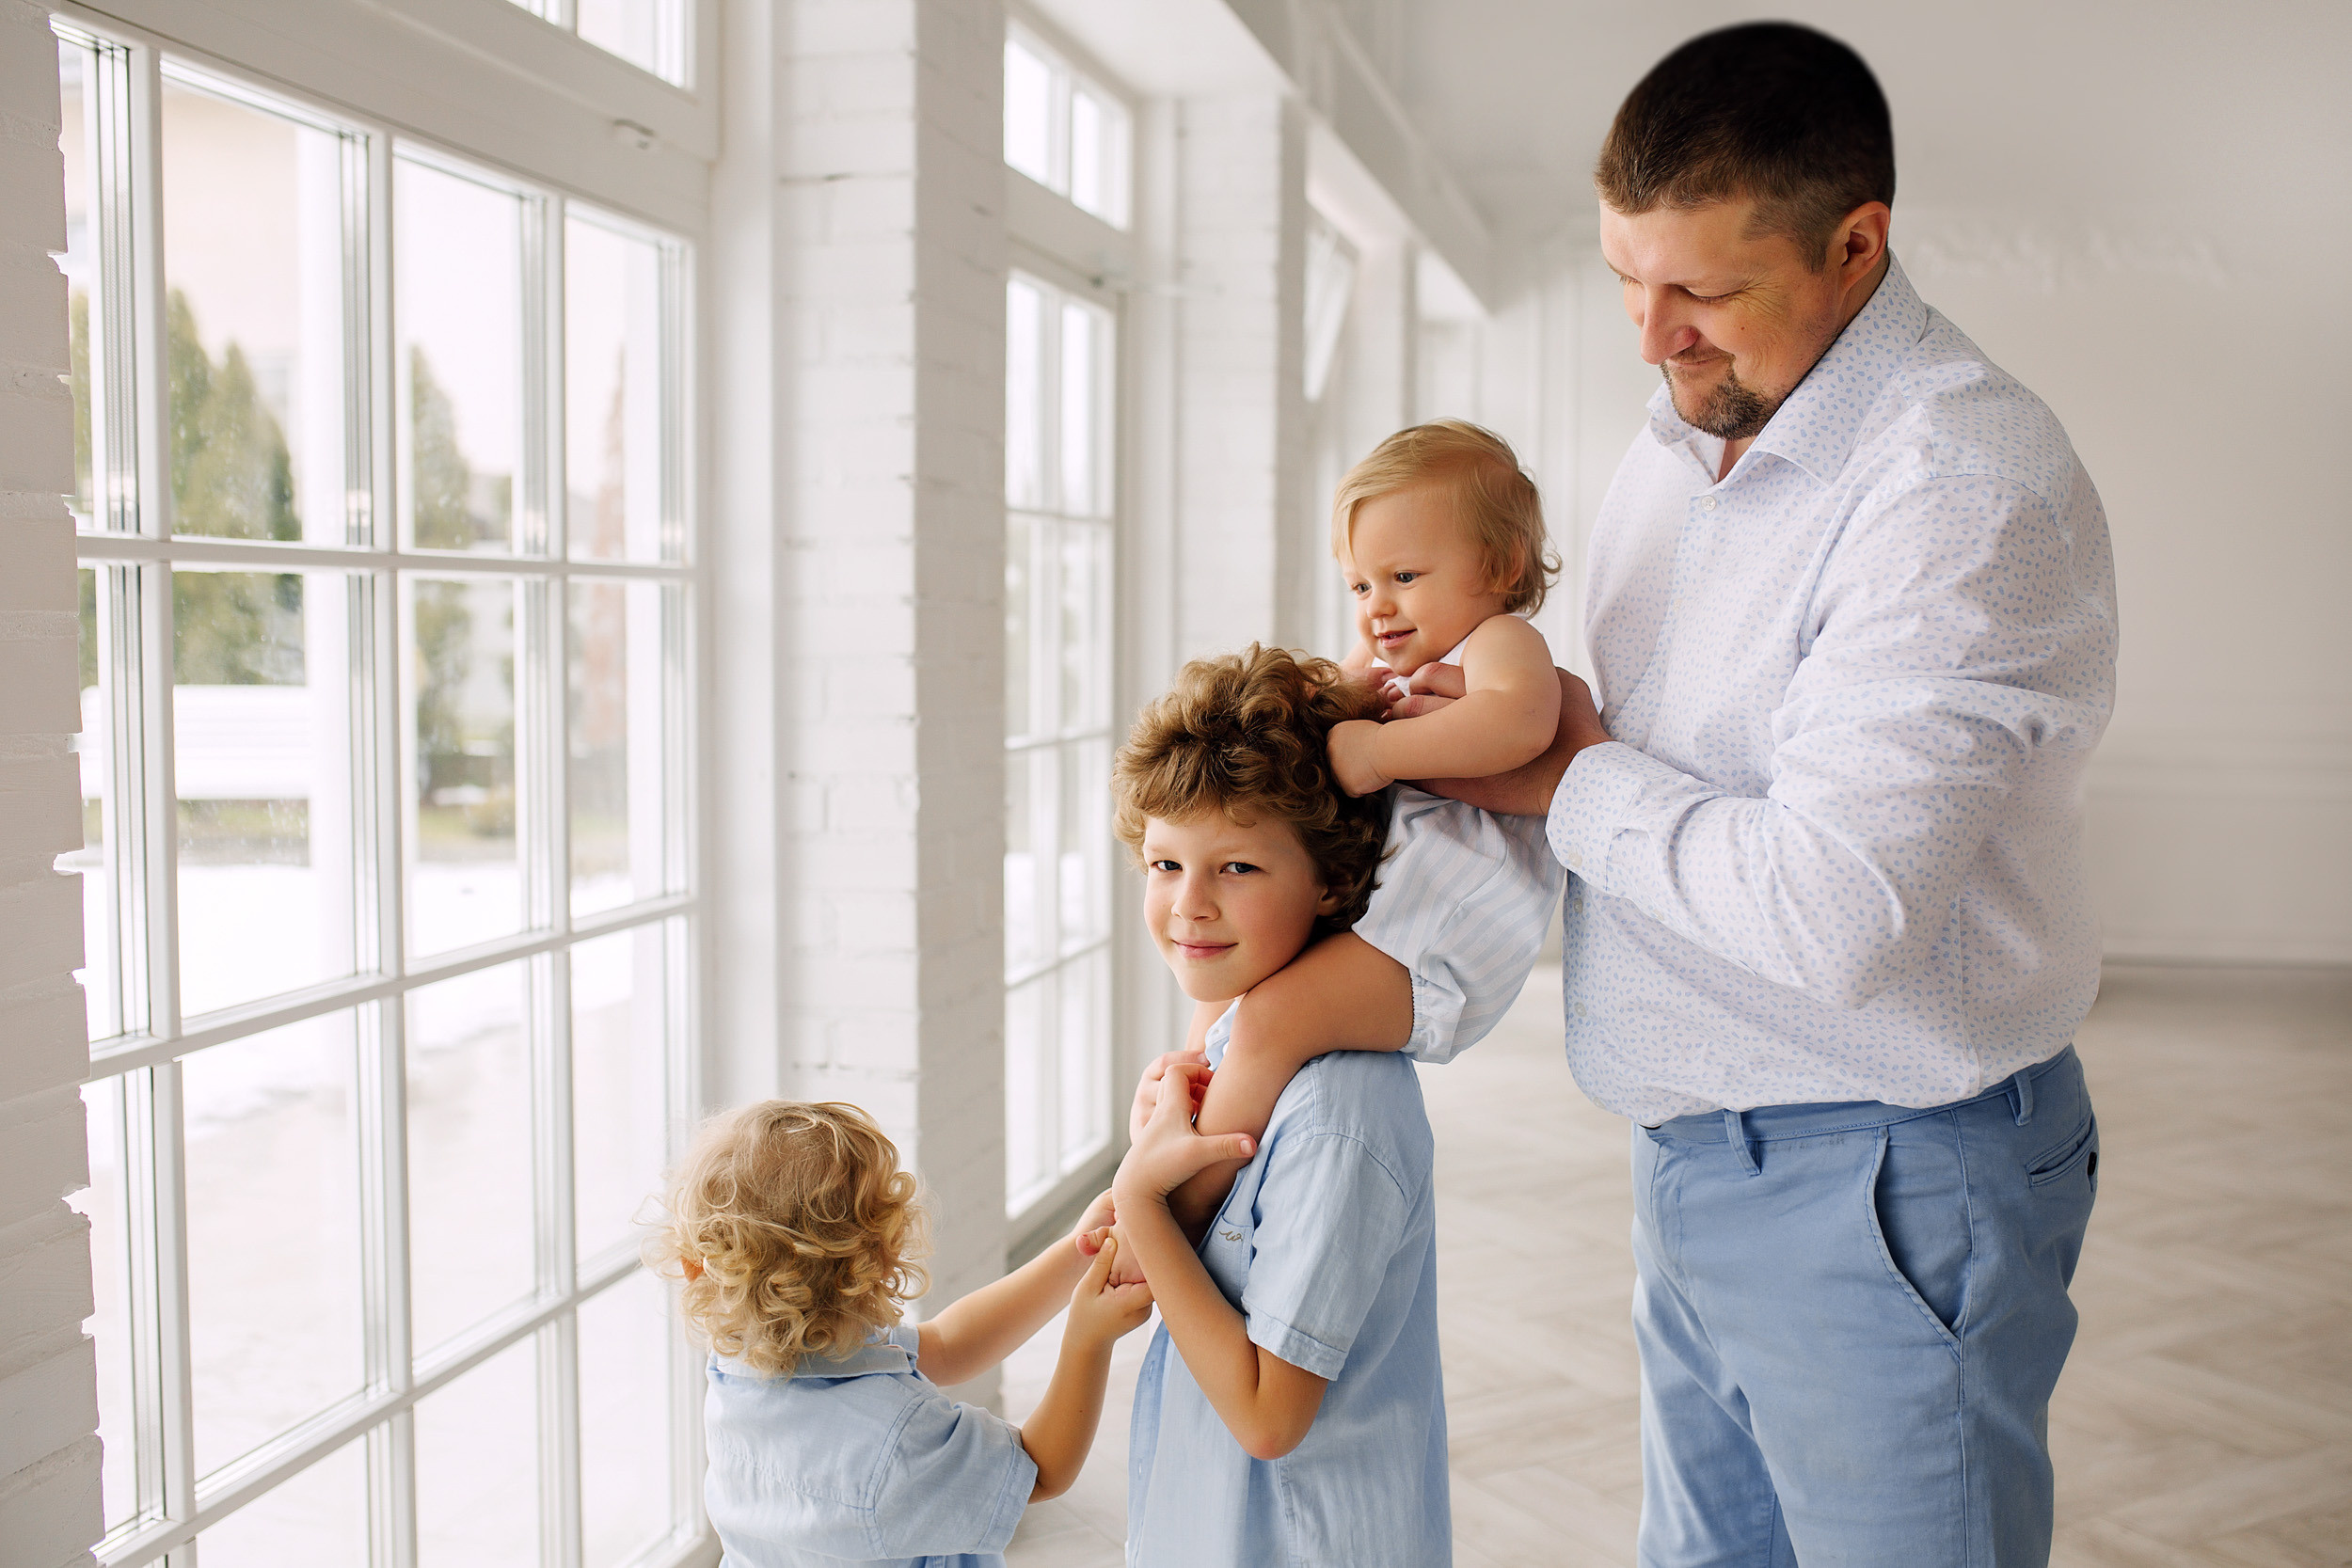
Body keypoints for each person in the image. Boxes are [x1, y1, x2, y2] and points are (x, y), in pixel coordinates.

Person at [1419, 22, 2117, 1568]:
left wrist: (1569, 776)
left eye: (1704, 291)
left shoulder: (1959, 489)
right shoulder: (1696, 422)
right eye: (1624, 276)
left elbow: (1835, 909)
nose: (1651, 336)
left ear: (1855, 244)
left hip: (1885, 1177)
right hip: (1701, 1150)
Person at [1133, 423, 1565, 1255]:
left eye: (1405, 576)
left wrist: (1378, 749)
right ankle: (1177, 1107)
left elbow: (1521, 722)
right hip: (1388, 912)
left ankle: (1176, 1208)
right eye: (1361, 583)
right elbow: (1331, 697)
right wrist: (1332, 692)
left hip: (1439, 945)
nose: (1378, 606)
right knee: (1226, 995)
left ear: (1502, 566)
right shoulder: (1392, 651)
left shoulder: (1501, 645)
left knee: (1270, 1021)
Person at [1106, 645, 1451, 1567]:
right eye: (1164, 861)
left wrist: (1143, 1202)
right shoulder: (1230, 1049)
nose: (1189, 904)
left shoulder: (1339, 1111)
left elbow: (1266, 1415)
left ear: (1333, 882)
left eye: (1238, 868)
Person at [645, 1100, 1152, 1568]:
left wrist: (1072, 1256)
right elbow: (1041, 1470)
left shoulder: (739, 1358)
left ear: (701, 1270)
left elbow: (949, 1345)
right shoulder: (895, 1441)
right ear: (879, 1260)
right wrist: (1088, 1339)